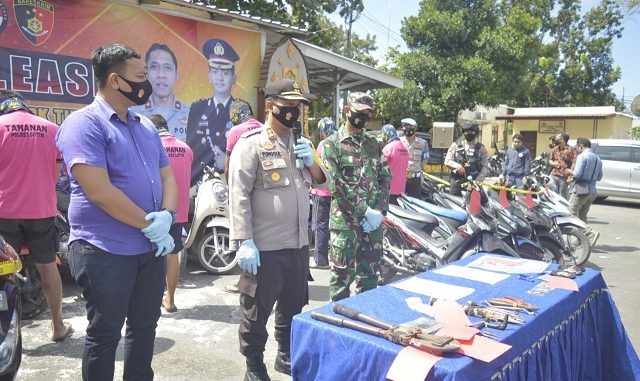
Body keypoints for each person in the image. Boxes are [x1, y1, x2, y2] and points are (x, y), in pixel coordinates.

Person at [56, 43, 178, 381]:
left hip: (149, 249)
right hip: (104, 249)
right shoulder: (84, 124)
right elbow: (100, 191)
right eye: (140, 76)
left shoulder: (146, 127)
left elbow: (167, 174)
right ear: (115, 80)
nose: (148, 81)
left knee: (144, 328)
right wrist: (151, 224)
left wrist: (167, 214)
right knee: (105, 333)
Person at [228, 79, 328, 380]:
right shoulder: (251, 144)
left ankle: (284, 354)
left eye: (298, 106)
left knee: (293, 306)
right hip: (265, 248)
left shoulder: (302, 144)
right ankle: (254, 365)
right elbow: (239, 194)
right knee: (256, 311)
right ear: (270, 105)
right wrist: (244, 240)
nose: (294, 112)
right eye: (288, 106)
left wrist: (311, 162)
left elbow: (323, 184)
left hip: (298, 245)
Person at [0, 90, 72, 342]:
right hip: (41, 209)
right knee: (47, 266)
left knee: (2, 271)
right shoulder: (52, 129)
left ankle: (6, 333)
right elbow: (55, 171)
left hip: (4, 211)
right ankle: (57, 327)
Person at [323, 92, 391, 302]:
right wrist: (365, 211)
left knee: (370, 278)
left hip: (372, 226)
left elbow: (385, 176)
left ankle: (365, 322)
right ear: (347, 111)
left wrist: (379, 212)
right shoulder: (332, 144)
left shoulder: (373, 144)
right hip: (346, 224)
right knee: (341, 280)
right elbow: (336, 184)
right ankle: (337, 326)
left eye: (367, 114)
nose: (363, 118)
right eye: (359, 112)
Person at [148, 114, 194, 312]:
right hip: (179, 211)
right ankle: (171, 300)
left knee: (151, 257)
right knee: (173, 255)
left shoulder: (152, 147)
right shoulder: (186, 149)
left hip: (156, 212)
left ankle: (152, 299)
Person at [223, 99, 263, 294]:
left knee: (242, 236)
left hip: (243, 191)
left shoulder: (235, 132)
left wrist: (229, 187)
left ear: (235, 114)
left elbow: (228, 165)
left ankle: (245, 283)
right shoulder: (263, 127)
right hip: (263, 193)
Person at [187, 38, 239, 181]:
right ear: (209, 76)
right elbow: (191, 148)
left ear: (234, 78)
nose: (220, 78)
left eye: (226, 73)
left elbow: (248, 148)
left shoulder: (242, 109)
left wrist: (228, 160)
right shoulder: (197, 108)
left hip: (231, 179)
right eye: (215, 72)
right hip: (200, 181)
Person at [130, 43, 190, 141]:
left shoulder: (191, 114)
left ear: (176, 75)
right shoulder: (133, 114)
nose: (161, 75)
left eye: (167, 67)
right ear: (146, 73)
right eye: (154, 67)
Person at [310, 116, 338, 270]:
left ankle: (321, 261)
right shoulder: (339, 142)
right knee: (333, 226)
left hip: (321, 191)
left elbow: (317, 166)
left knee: (320, 226)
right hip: (336, 192)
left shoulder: (322, 144)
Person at [566, 138, 602, 247]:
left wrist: (569, 171)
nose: (576, 149)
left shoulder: (582, 156)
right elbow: (599, 177)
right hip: (592, 190)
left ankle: (589, 233)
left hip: (581, 190)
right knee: (582, 215)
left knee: (569, 213)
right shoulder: (597, 159)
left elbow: (576, 174)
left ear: (581, 145)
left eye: (577, 146)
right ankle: (582, 239)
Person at [445, 121, 490, 196]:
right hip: (457, 182)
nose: (469, 133)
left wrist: (478, 180)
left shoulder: (481, 148)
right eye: (467, 131)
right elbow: (447, 161)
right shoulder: (455, 145)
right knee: (453, 204)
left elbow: (485, 166)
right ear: (463, 132)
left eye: (472, 131)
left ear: (476, 133)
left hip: (474, 182)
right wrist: (458, 166)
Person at [400, 118, 429, 198]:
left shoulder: (423, 143)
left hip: (415, 179)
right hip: (401, 178)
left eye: (410, 127)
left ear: (415, 128)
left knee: (416, 204)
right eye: (405, 127)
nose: (407, 129)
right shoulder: (398, 142)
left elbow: (424, 161)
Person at [381, 124, 409, 205]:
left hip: (389, 190)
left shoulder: (388, 148)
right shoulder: (404, 147)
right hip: (401, 190)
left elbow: (380, 167)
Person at [549, 132, 576, 199]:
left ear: (562, 139)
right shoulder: (555, 148)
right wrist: (553, 163)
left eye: (557, 138)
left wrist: (570, 176)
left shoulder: (571, 149)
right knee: (552, 194)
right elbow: (550, 160)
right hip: (553, 174)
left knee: (563, 196)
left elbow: (574, 163)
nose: (555, 139)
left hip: (564, 176)